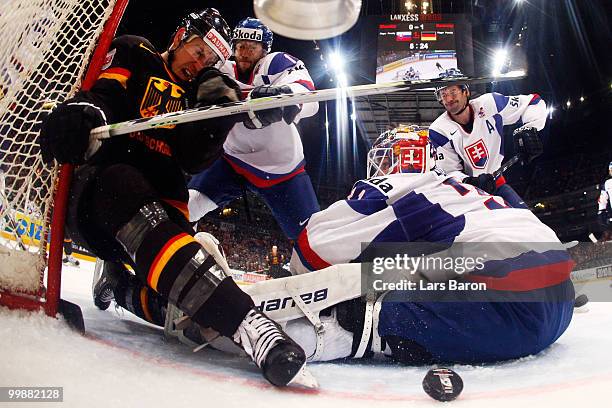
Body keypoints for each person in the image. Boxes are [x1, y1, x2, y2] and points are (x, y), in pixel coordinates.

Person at [116, 125, 575, 366]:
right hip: (556, 299)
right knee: (390, 272)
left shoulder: (401, 185)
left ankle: (167, 306)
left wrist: (305, 280)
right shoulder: (465, 187)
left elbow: (312, 250)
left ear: (395, 158)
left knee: (349, 315)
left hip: (507, 304)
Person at [37, 8, 308, 387]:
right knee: (126, 183)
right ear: (180, 36)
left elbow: (193, 158)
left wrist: (215, 120)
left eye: (210, 59)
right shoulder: (138, 53)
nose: (198, 63)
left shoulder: (201, 92)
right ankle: (252, 326)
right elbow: (107, 94)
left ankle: (120, 287)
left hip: (163, 212)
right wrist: (86, 111)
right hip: (105, 197)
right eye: (197, 51)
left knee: (185, 301)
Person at [188, 17, 320, 240]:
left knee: (312, 238)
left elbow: (309, 98)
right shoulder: (220, 68)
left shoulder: (276, 64)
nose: (245, 53)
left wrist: (284, 98)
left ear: (264, 49)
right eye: (240, 46)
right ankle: (178, 259)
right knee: (186, 207)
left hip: (281, 170)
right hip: (232, 160)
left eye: (252, 47)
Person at [429, 70, 546, 208]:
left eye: (453, 92)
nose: (448, 99)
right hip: (466, 196)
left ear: (465, 91)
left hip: (497, 185)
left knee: (527, 223)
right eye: (444, 95)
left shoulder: (491, 103)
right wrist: (470, 181)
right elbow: (448, 172)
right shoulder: (438, 130)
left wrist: (529, 129)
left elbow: (533, 102)